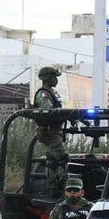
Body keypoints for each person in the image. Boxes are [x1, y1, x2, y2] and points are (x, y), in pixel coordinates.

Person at [34, 66, 68, 197]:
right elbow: (48, 110)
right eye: (54, 77)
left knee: (52, 160)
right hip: (49, 132)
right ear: (48, 78)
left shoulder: (51, 92)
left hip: (54, 131)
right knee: (62, 158)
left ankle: (54, 190)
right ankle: (62, 188)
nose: (56, 80)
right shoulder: (43, 94)